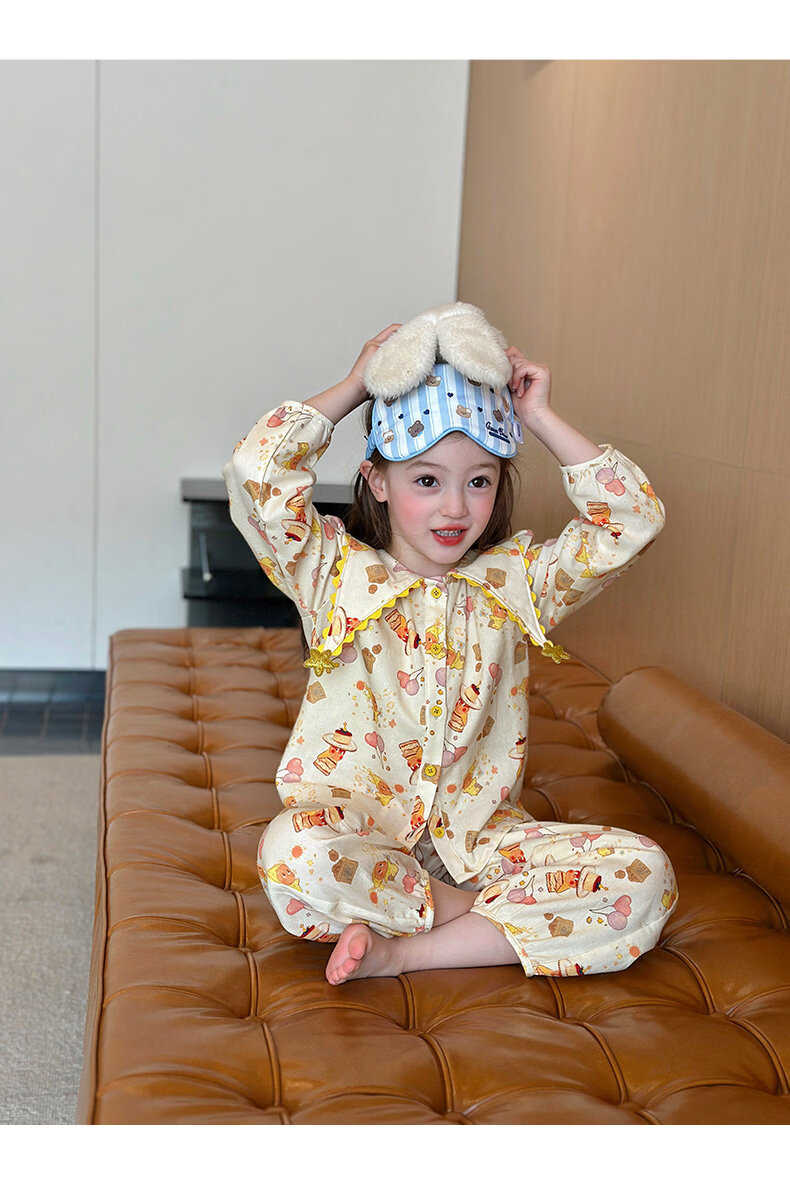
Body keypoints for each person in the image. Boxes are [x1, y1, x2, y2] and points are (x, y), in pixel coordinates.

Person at [222, 302, 678, 987]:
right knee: (293, 852)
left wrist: (539, 417)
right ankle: (471, 917)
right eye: (427, 480)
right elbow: (257, 473)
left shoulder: (518, 585)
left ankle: (404, 950)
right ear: (378, 480)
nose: (456, 508)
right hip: (364, 840)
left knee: (645, 874)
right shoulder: (332, 574)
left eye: (479, 481)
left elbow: (632, 519)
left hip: (485, 845)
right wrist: (354, 386)